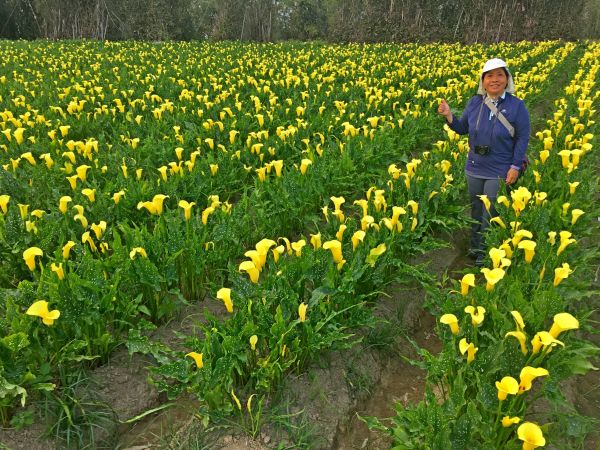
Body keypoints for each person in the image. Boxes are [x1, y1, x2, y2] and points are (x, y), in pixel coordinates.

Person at [437, 58, 530, 266]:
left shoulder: (517, 106)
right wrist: (449, 115)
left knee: (491, 211)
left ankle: (486, 252)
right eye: (489, 76)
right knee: (476, 209)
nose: (494, 80)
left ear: (507, 79)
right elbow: (462, 128)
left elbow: (523, 138)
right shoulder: (475, 102)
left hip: (500, 168)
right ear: (483, 80)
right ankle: (476, 246)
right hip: (475, 167)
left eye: (499, 75)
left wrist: (515, 166)